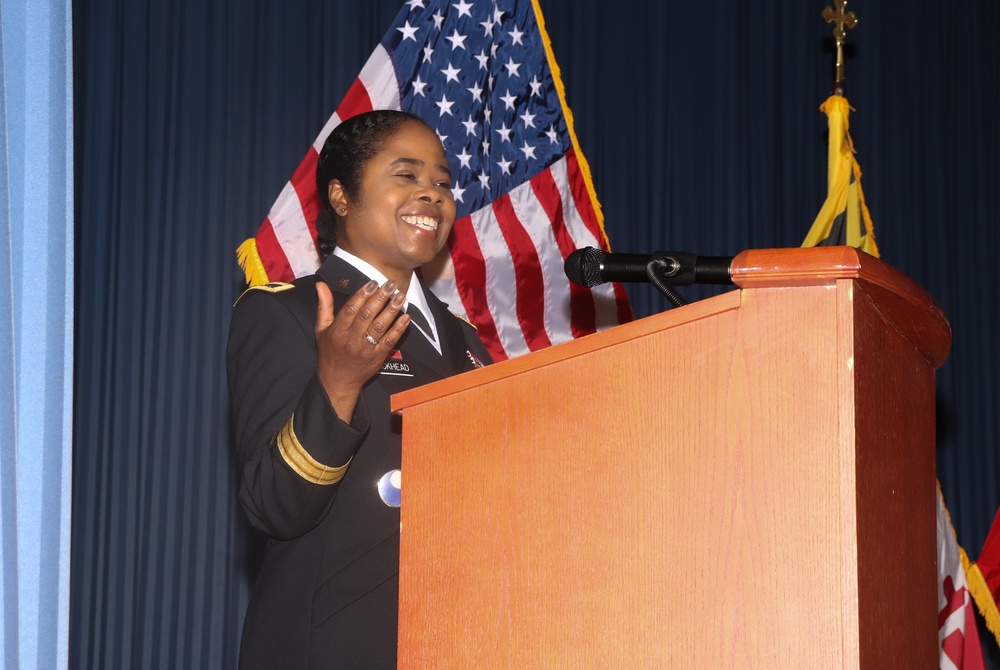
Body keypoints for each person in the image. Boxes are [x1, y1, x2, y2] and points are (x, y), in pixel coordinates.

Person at [227, 110, 492, 669]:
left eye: (443, 183)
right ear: (342, 197)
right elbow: (274, 506)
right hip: (337, 641)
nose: (433, 196)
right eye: (407, 175)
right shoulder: (287, 313)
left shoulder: (465, 340)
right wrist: (338, 381)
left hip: (455, 633)